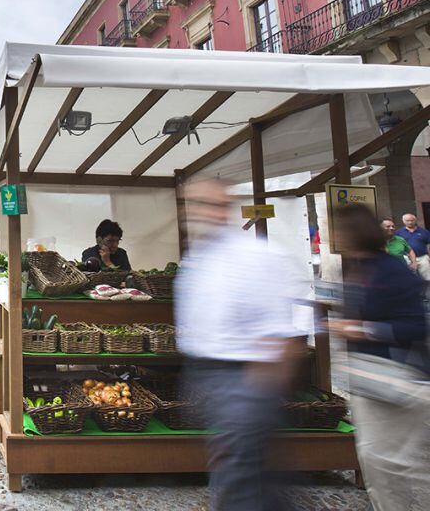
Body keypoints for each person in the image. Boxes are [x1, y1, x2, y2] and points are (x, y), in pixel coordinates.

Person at [175, 179, 302, 510]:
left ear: (227, 208)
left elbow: (283, 334)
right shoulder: (197, 259)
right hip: (209, 379)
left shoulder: (256, 256)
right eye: (196, 205)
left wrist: (256, 398)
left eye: (212, 204)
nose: (203, 212)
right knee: (242, 477)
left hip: (244, 380)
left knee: (244, 482)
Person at [329, 203, 430, 510]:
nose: (334, 235)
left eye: (338, 229)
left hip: (394, 378)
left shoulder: (389, 268)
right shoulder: (362, 268)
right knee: (379, 462)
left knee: (391, 465)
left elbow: (414, 324)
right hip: (371, 381)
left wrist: (363, 330)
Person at [398, 213, 430, 280]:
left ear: (415, 221)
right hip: (407, 258)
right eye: (407, 220)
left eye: (412, 220)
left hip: (422, 257)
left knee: (427, 277)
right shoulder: (398, 233)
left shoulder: (424, 232)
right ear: (403, 221)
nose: (410, 222)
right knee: (410, 278)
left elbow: (428, 245)